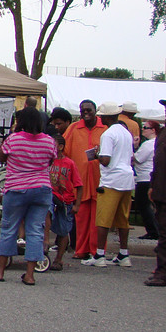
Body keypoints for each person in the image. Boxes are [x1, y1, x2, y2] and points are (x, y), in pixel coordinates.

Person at [0, 107, 56, 285]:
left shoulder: (14, 139)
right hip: (41, 189)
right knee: (35, 231)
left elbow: (1, 157)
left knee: (9, 228)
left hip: (16, 188)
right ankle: (30, 275)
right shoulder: (49, 141)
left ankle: (0, 271)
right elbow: (50, 161)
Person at [84, 102, 135, 268]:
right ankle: (124, 253)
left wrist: (97, 154)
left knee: (103, 218)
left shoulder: (108, 134)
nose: (99, 117)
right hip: (127, 178)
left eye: (101, 115)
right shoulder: (125, 132)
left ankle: (99, 255)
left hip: (111, 180)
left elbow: (106, 160)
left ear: (107, 117)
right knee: (123, 219)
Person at [62, 100, 106, 259]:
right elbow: (64, 150)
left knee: (98, 218)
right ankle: (80, 250)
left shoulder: (104, 128)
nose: (86, 112)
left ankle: (96, 250)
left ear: (95, 110)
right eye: (82, 110)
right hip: (79, 181)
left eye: (89, 109)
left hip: (99, 180)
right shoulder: (74, 128)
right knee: (80, 218)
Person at [48, 134, 81, 270]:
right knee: (46, 213)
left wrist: (77, 204)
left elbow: (79, 184)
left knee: (63, 230)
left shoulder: (69, 163)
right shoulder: (47, 162)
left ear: (60, 147)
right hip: (50, 196)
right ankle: (44, 245)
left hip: (66, 200)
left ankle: (59, 259)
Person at [144, 98, 166, 286]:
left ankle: (163, 273)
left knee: (165, 236)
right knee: (163, 234)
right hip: (160, 190)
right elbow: (158, 163)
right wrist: (152, 185)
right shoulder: (163, 133)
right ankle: (161, 270)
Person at [133, 120, 160, 243]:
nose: (143, 129)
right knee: (148, 204)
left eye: (145, 127)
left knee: (143, 204)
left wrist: (134, 148)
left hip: (144, 177)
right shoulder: (158, 143)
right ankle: (155, 229)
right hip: (151, 176)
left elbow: (137, 159)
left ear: (153, 130)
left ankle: (152, 230)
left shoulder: (148, 144)